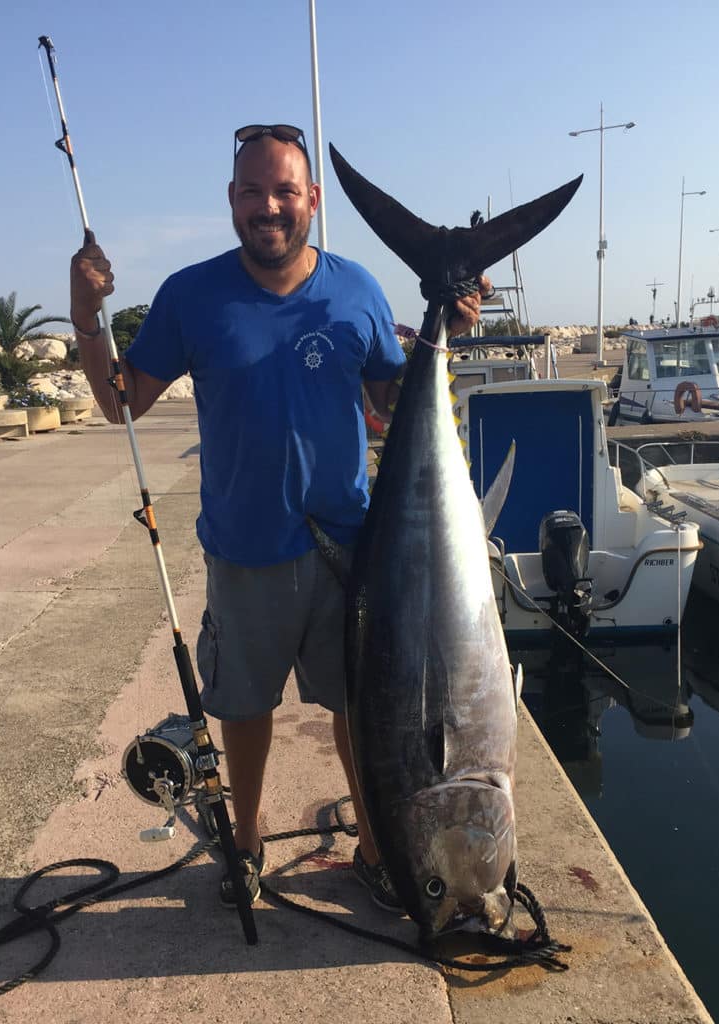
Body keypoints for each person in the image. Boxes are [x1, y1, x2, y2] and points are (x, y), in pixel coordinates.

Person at [70, 123, 493, 912]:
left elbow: (390, 401)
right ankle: (249, 839)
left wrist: (448, 335)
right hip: (246, 548)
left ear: (312, 201)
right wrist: (86, 316)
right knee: (244, 707)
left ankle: (378, 845)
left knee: (361, 708)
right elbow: (118, 399)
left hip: (352, 550)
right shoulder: (190, 294)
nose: (269, 206)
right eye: (254, 192)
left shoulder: (358, 289)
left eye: (285, 191)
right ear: (232, 200)